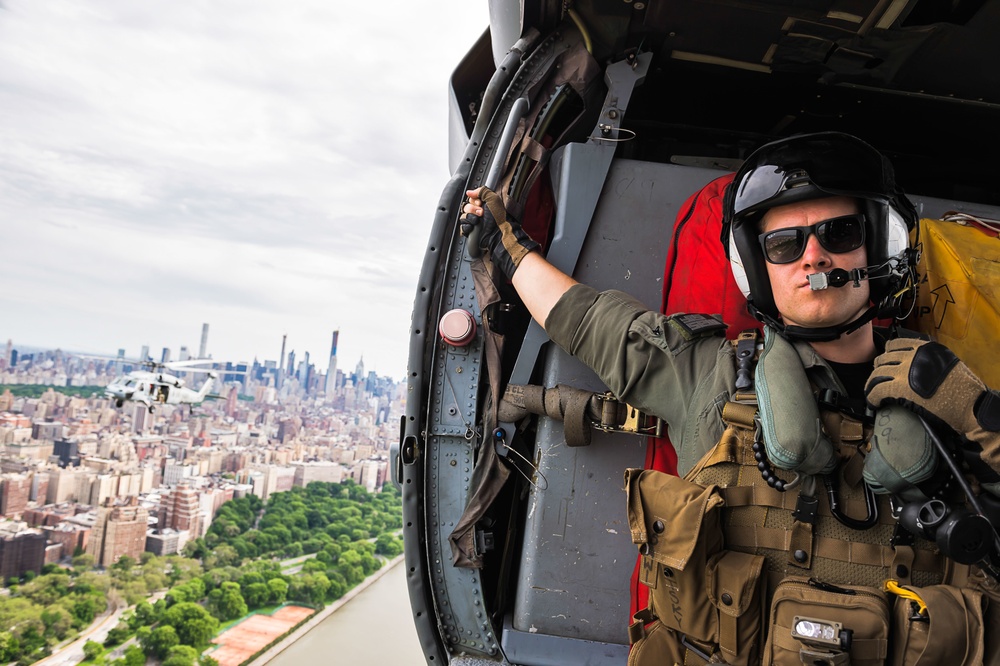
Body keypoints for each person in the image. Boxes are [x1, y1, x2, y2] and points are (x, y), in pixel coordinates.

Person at [462, 131, 1000, 664]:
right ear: (758, 267)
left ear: (876, 244)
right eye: (784, 244)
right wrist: (503, 242)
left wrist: (977, 412)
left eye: (839, 232)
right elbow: (584, 320)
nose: (814, 257)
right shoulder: (707, 373)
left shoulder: (949, 389)